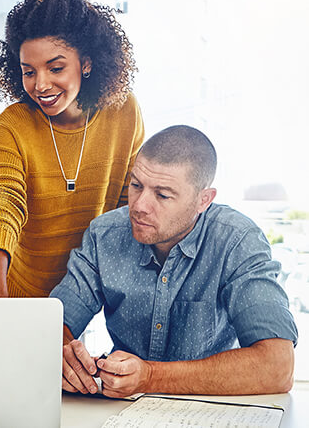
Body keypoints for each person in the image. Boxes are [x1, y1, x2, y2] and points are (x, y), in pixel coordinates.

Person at [51, 125, 298, 397]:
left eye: (163, 195)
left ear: (204, 200)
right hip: (118, 410)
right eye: (136, 185)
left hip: (211, 410)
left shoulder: (237, 241)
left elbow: (277, 367)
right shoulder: (104, 234)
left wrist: (150, 377)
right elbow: (51, 323)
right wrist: (62, 353)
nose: (139, 206)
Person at [0, 0, 145, 297]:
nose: (40, 85)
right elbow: (4, 198)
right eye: (29, 71)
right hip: (18, 289)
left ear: (86, 62)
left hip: (85, 291)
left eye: (55, 68)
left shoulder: (124, 111)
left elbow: (129, 203)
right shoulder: (13, 123)